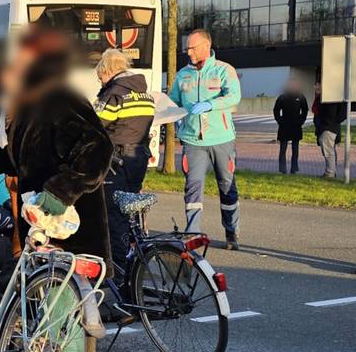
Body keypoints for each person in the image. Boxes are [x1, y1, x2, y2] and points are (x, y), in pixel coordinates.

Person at [0, 27, 120, 352]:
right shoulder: (28, 104)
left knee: (57, 324)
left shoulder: (58, 99)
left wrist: (61, 191)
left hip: (70, 227)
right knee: (64, 318)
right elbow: (31, 153)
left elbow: (97, 149)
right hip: (44, 227)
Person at [167, 29, 243, 250]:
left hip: (222, 139)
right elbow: (173, 101)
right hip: (192, 141)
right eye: (187, 48)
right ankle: (193, 235)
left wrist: (211, 104)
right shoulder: (183, 75)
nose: (188, 52)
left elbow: (234, 96)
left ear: (205, 46)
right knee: (193, 188)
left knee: (227, 186)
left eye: (192, 47)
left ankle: (231, 232)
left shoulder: (223, 70)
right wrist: (169, 114)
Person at [93, 48, 155, 285]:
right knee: (129, 215)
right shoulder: (144, 94)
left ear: (108, 70)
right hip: (137, 157)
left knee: (113, 217)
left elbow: (95, 125)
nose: (100, 79)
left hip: (116, 160)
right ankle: (134, 268)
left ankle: (118, 276)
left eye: (100, 75)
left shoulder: (115, 94)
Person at [273, 78, 309, 174]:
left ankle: (294, 168)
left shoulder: (300, 97)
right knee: (283, 149)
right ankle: (282, 168)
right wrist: (280, 121)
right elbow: (276, 110)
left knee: (295, 149)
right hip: (284, 126)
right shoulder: (282, 97)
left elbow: (305, 110)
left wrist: (301, 121)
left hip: (296, 126)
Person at [312, 82, 347, 179]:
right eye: (315, 85)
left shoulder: (330, 99)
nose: (315, 87)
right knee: (329, 150)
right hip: (326, 127)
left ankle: (330, 173)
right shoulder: (321, 98)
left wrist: (331, 122)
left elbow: (342, 115)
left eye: (318, 85)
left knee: (328, 151)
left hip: (328, 127)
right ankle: (331, 172)